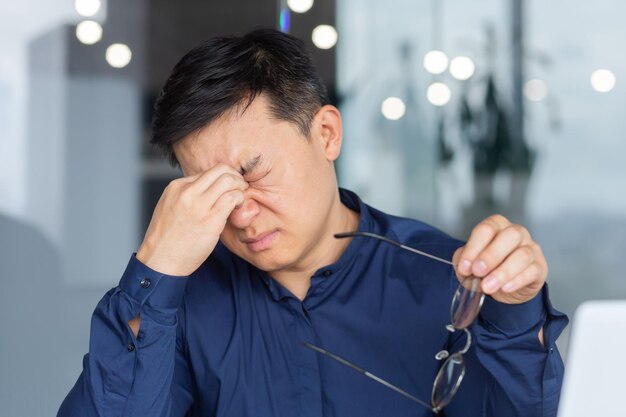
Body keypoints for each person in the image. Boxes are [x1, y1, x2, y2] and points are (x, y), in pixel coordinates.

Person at [57, 29, 568, 417]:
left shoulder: (448, 277)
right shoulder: (180, 306)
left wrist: (516, 316)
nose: (240, 214)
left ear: (325, 133)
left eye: (251, 174)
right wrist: (156, 267)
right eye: (208, 192)